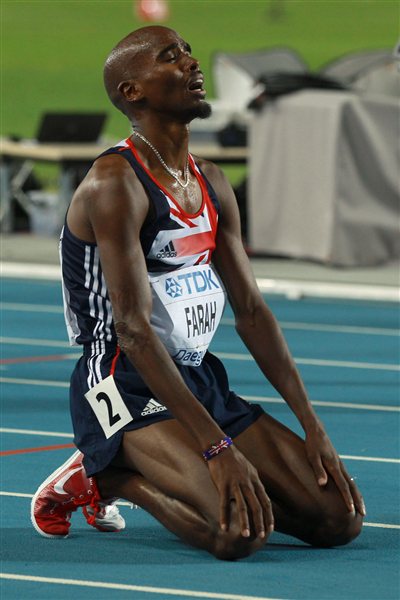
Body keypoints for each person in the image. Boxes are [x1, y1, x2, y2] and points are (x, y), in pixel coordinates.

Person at [31, 25, 365, 559]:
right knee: (238, 535)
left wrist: (311, 424)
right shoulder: (115, 183)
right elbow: (134, 332)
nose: (192, 63)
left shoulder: (210, 180)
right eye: (171, 57)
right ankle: (109, 476)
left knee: (337, 519)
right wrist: (217, 447)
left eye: (187, 52)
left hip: (193, 375)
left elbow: (251, 311)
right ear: (132, 92)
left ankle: (156, 462)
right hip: (121, 380)